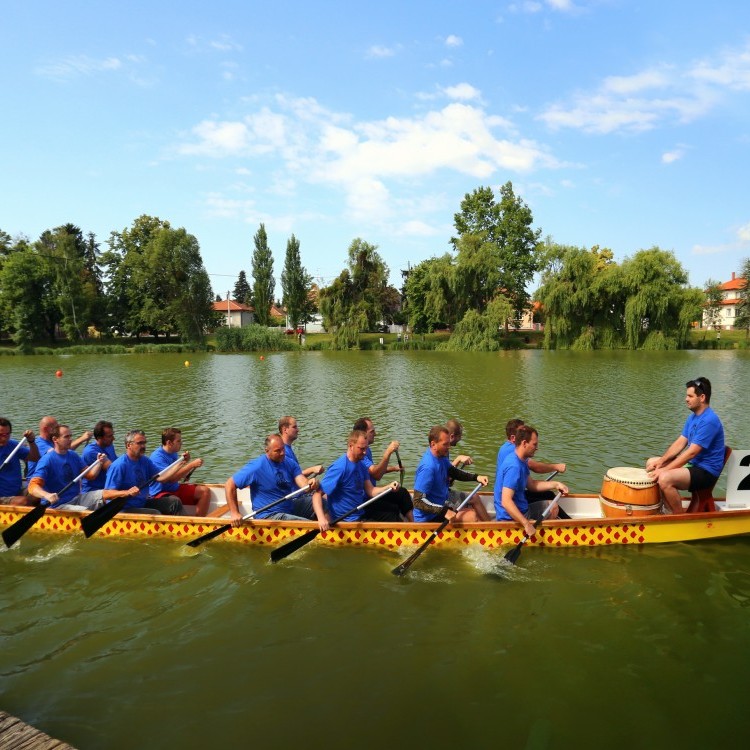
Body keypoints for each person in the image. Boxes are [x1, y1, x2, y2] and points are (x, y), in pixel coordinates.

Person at [646, 376, 725, 514]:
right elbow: (680, 442)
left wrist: (665, 470)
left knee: (665, 478)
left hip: (706, 471)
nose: (686, 399)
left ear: (702, 397)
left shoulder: (709, 420)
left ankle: (678, 518)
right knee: (651, 462)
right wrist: (661, 462)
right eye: (686, 395)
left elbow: (692, 453)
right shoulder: (693, 417)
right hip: (694, 465)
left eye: (690, 396)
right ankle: (664, 509)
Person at [26, 424, 135, 511]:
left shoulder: (73, 455)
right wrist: (47, 495)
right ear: (55, 439)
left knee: (105, 494)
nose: (70, 439)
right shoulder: (47, 460)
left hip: (76, 499)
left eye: (70, 436)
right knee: (86, 511)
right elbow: (32, 487)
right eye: (66, 437)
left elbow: (90, 475)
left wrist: (99, 463)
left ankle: (127, 494)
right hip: (57, 506)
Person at [312, 430, 403, 530]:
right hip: (346, 521)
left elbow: (371, 491)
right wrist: (321, 519)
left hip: (360, 513)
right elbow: (317, 495)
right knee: (390, 521)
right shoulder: (339, 467)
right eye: (361, 449)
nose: (364, 452)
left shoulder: (361, 464)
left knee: (393, 511)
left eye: (366, 448)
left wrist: (388, 487)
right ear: (351, 446)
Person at [226, 434, 317, 527]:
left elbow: (303, 484)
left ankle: (328, 524)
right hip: (268, 515)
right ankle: (319, 531)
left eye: (283, 449)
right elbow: (230, 484)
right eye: (277, 451)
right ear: (267, 451)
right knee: (307, 524)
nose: (282, 453)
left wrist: (310, 483)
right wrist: (234, 513)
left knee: (320, 502)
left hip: (289, 507)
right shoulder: (257, 467)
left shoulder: (289, 463)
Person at [494, 424, 569, 538]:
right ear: (524, 443)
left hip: (521, 508)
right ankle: (544, 539)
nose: (537, 447)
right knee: (553, 507)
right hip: (509, 517)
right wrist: (526, 524)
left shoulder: (520, 460)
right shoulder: (514, 466)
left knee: (551, 503)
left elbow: (532, 485)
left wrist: (556, 484)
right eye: (534, 444)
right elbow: (506, 501)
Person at [412, 425, 489, 523]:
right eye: (445, 444)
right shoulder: (427, 468)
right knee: (472, 516)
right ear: (433, 444)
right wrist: (444, 511)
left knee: (473, 504)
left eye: (449, 443)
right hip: (428, 518)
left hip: (440, 505)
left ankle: (494, 529)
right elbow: (418, 501)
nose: (449, 447)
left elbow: (454, 472)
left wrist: (476, 477)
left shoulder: (441, 457)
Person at [104, 430, 186, 515]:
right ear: (129, 445)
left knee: (174, 502)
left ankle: (185, 526)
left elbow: (161, 478)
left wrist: (180, 463)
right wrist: (127, 492)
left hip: (142, 503)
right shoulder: (119, 465)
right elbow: (106, 494)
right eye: (139, 443)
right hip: (123, 509)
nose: (143, 446)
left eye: (144, 443)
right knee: (155, 513)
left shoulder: (145, 461)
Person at [352, 417, 413, 520]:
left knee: (402, 493)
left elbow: (373, 471)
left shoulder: (366, 450)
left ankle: (414, 525)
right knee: (392, 511)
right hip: (364, 501)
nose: (375, 434)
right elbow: (376, 474)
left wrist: (394, 468)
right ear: (363, 434)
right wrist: (388, 452)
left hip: (372, 494)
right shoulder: (360, 455)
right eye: (372, 431)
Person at [149, 428, 211, 516]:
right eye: (178, 441)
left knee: (205, 491)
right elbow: (172, 479)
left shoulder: (173, 452)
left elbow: (178, 473)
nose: (181, 443)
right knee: (175, 501)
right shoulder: (157, 457)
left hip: (174, 488)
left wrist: (185, 462)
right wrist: (191, 465)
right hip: (160, 493)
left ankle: (199, 523)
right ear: (169, 443)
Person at [27, 416, 92, 474]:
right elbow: (57, 453)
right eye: (55, 427)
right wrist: (82, 439)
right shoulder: (40, 444)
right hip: (36, 481)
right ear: (46, 429)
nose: (58, 430)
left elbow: (64, 450)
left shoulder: (52, 441)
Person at [0, 418, 40, 505]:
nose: (5, 438)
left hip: (17, 492)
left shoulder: (13, 445)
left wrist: (31, 442)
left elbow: (35, 458)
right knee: (24, 502)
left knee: (41, 493)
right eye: (1, 435)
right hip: (1, 498)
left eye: (7, 434)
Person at [81, 420, 117, 493]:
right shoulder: (91, 452)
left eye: (113, 435)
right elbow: (113, 469)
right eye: (110, 436)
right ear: (99, 438)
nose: (113, 438)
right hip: (93, 491)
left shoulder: (109, 445)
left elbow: (116, 463)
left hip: (107, 487)